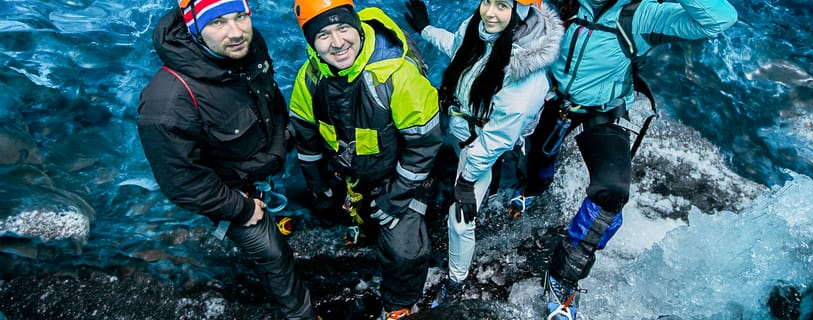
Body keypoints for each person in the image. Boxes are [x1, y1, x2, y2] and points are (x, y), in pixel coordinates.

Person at [512, 0, 738, 318]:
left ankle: (563, 277)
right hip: (552, 100)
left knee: (612, 191)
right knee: (536, 170)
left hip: (602, 110)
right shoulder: (564, 3)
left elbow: (719, 20)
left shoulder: (640, 16)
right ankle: (532, 189)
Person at [137, 0, 316, 319]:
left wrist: (279, 146)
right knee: (273, 254)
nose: (236, 33)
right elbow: (183, 184)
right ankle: (299, 314)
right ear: (194, 29)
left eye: (240, 17)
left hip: (266, 153)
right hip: (232, 189)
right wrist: (242, 208)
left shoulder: (250, 44)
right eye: (217, 23)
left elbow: (269, 96)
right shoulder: (167, 103)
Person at [288, 0, 443, 318]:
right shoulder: (309, 79)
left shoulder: (397, 77)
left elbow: (424, 146)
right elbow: (306, 140)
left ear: (357, 27)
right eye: (324, 35)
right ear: (312, 43)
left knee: (405, 252)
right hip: (352, 171)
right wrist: (320, 187)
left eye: (343, 27)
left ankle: (400, 304)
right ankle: (362, 223)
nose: (337, 42)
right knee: (315, 201)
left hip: (399, 173)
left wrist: (396, 198)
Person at [404, 0, 564, 308]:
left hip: (480, 140)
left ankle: (456, 282)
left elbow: (495, 140)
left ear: (520, 14)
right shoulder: (482, 29)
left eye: (502, 5)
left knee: (460, 220)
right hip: (462, 119)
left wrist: (466, 181)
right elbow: (458, 48)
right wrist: (425, 30)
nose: (489, 12)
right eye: (487, 1)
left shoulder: (526, 80)